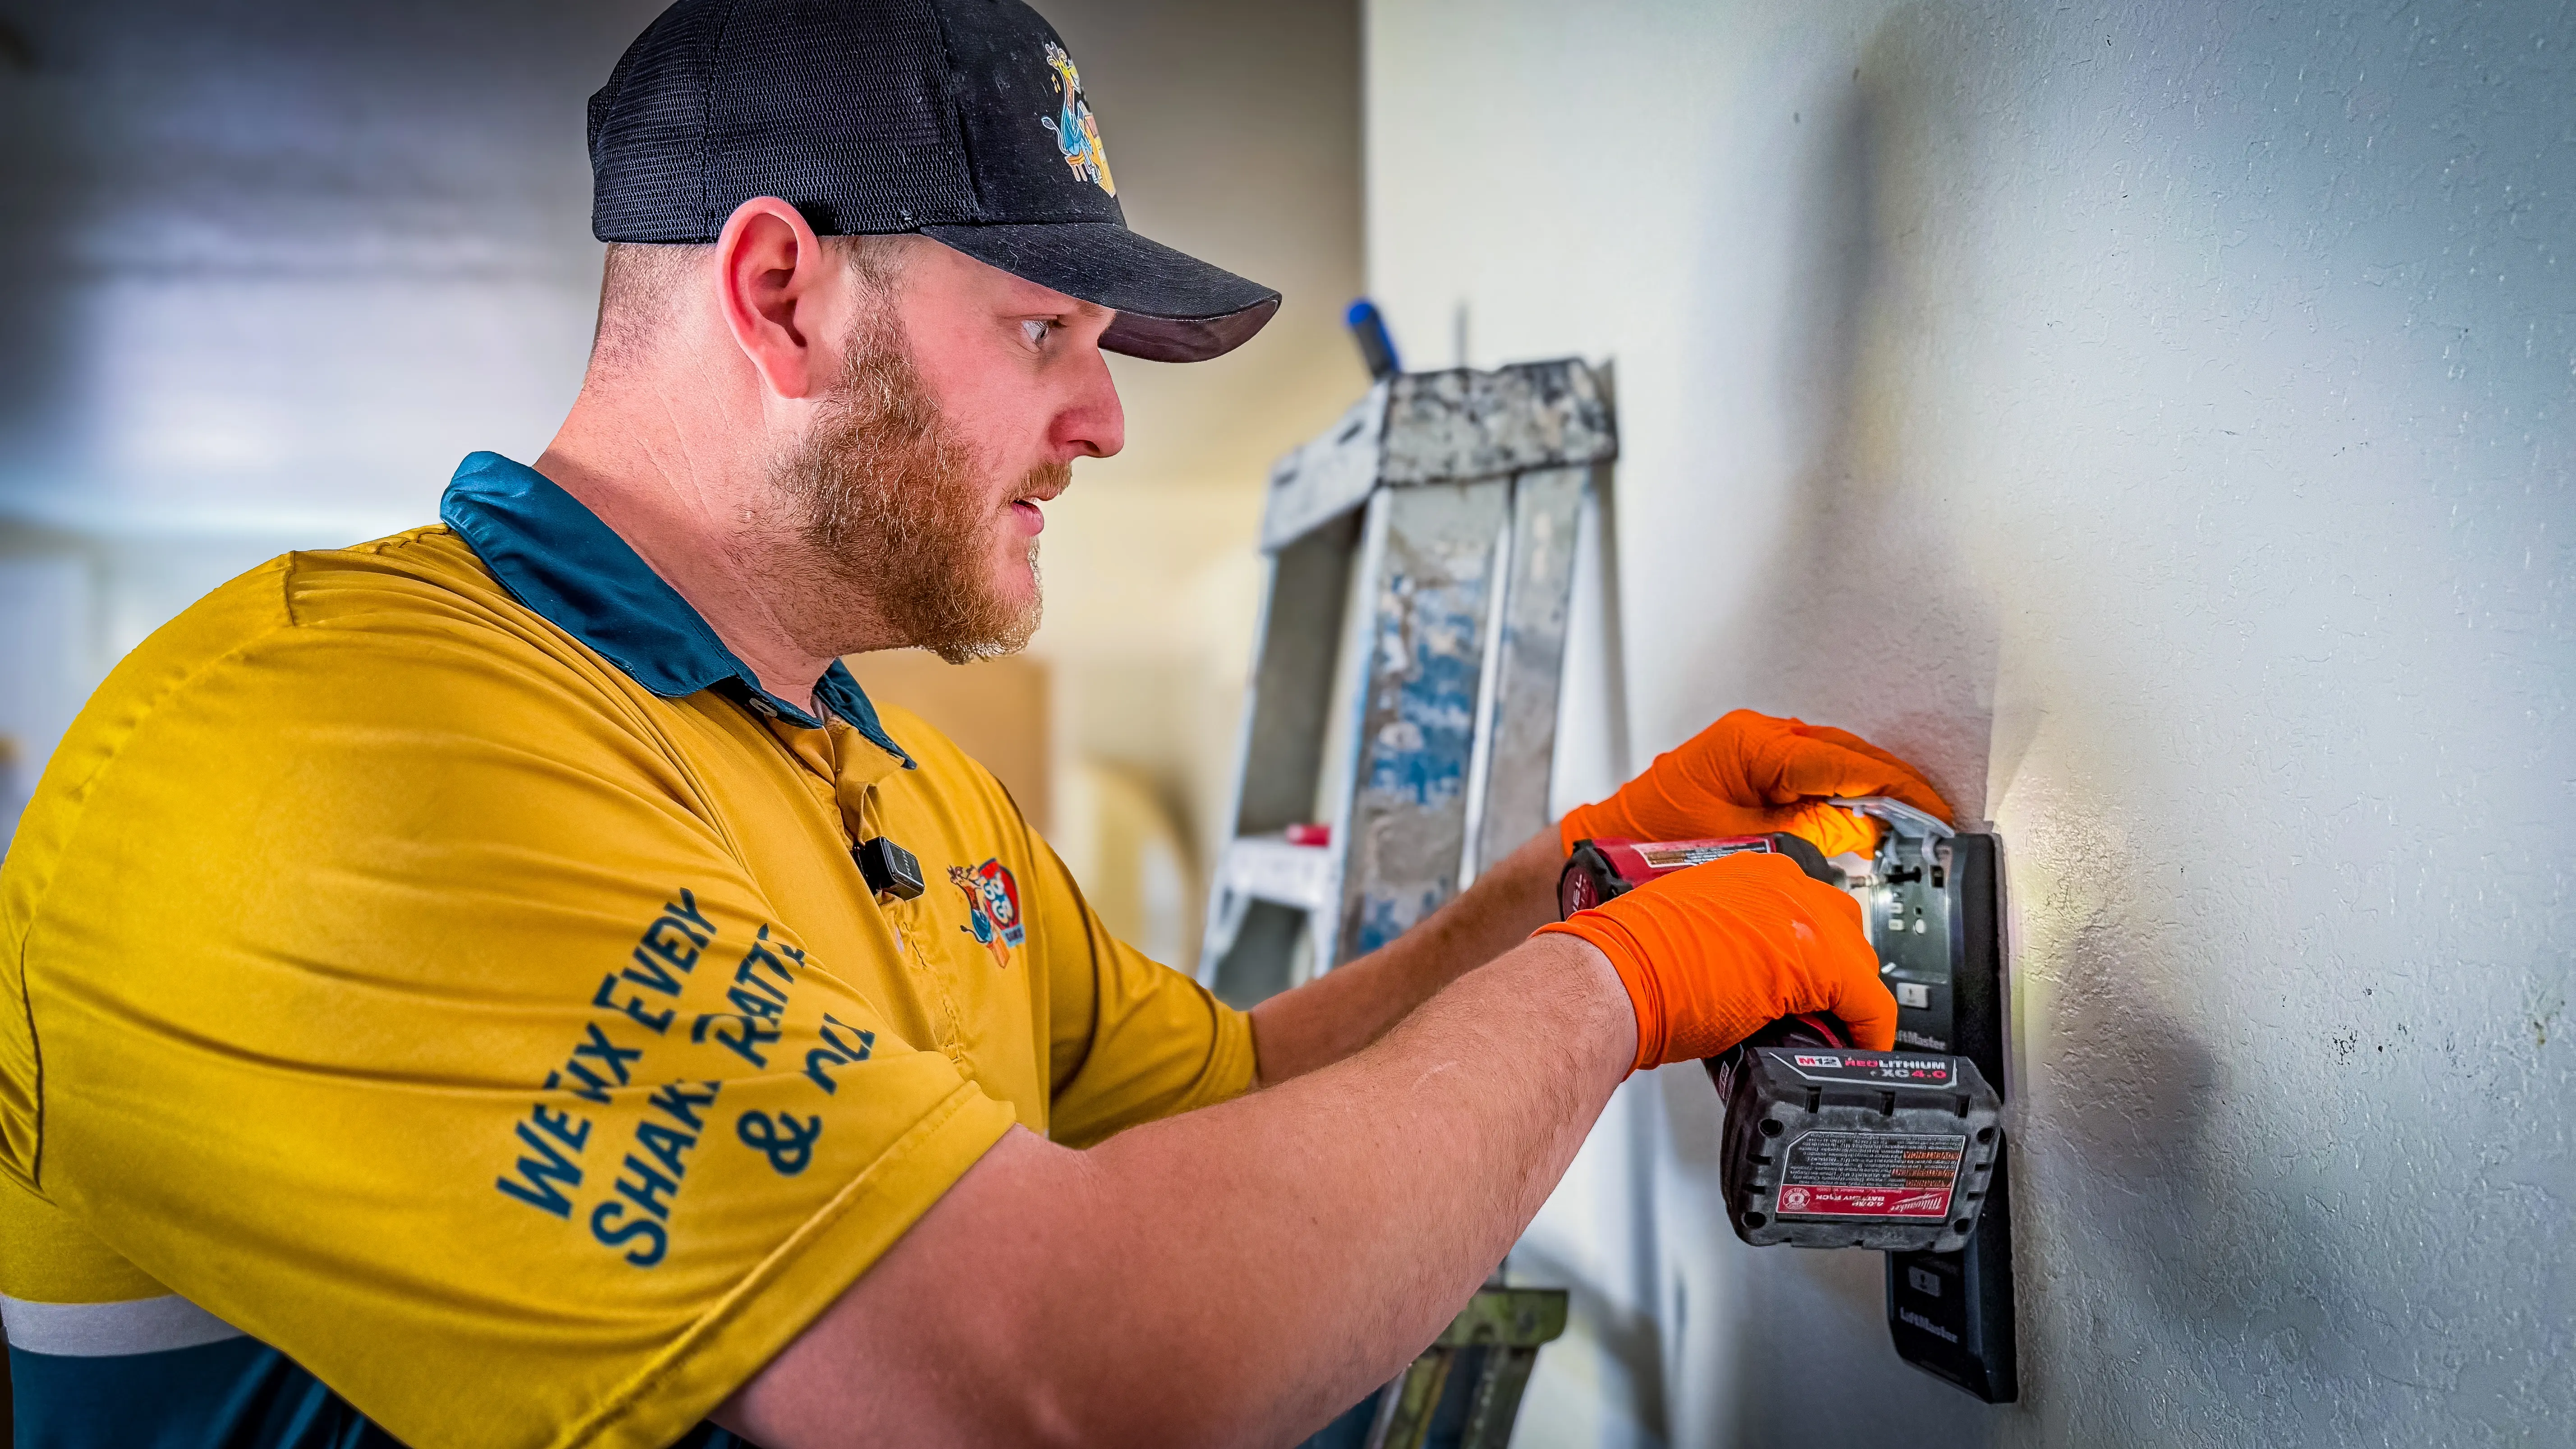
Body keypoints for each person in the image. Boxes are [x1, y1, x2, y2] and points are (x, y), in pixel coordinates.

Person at [0, 1, 1951, 1444]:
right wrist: (1617, 985)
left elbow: (1238, 1097)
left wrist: (1575, 878)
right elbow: (1051, 1378)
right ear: (780, 292)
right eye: (1046, 332)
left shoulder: (909, 788)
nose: (1104, 424)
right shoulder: (321, 753)